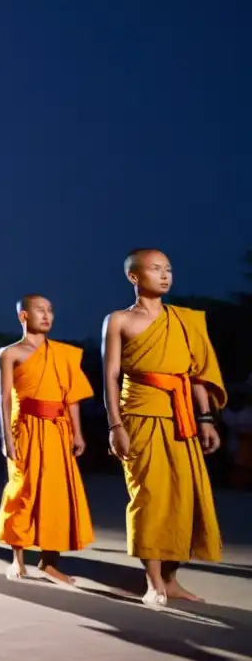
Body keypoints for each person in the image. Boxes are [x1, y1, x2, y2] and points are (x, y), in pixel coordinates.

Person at [102, 248, 226, 606]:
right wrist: (115, 425)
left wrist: (206, 419)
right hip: (139, 415)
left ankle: (171, 579)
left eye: (168, 269)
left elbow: (196, 376)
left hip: (182, 416)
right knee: (149, 498)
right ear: (134, 277)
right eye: (155, 269)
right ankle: (152, 580)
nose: (165, 275)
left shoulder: (186, 320)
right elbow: (111, 376)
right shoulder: (119, 320)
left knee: (184, 500)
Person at [0, 295, 94, 583]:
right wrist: (6, 439)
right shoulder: (10, 353)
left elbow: (72, 397)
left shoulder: (64, 353)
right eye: (40, 310)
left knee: (57, 496)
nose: (47, 315)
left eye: (50, 310)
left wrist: (78, 432)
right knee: (22, 491)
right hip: (24, 428)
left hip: (58, 430)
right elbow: (4, 399)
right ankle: (17, 559)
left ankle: (49, 562)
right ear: (23, 316)